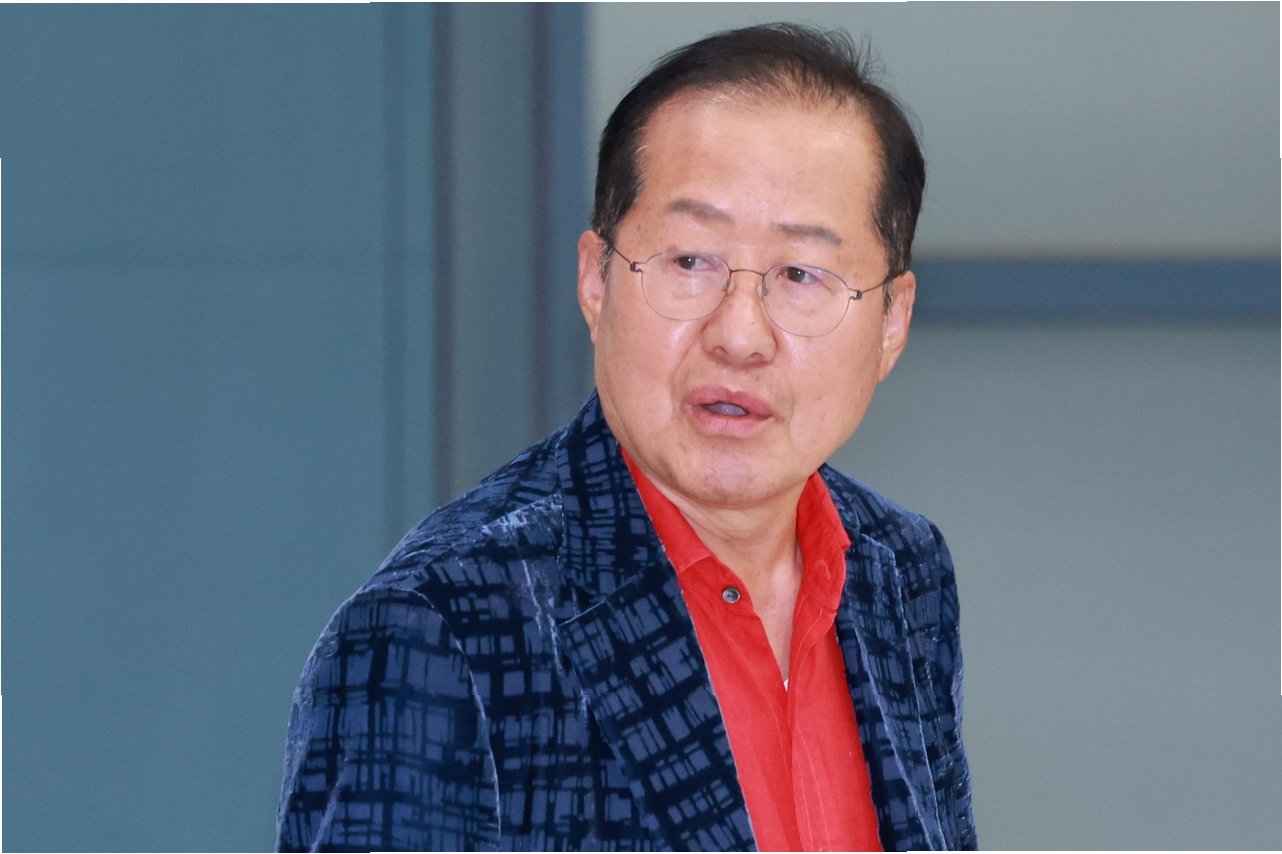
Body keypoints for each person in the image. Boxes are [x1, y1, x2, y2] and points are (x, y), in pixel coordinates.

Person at [277, 22, 975, 852]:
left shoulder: (901, 571)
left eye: (799, 274)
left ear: (892, 322)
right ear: (595, 280)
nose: (739, 335)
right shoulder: (437, 628)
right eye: (689, 262)